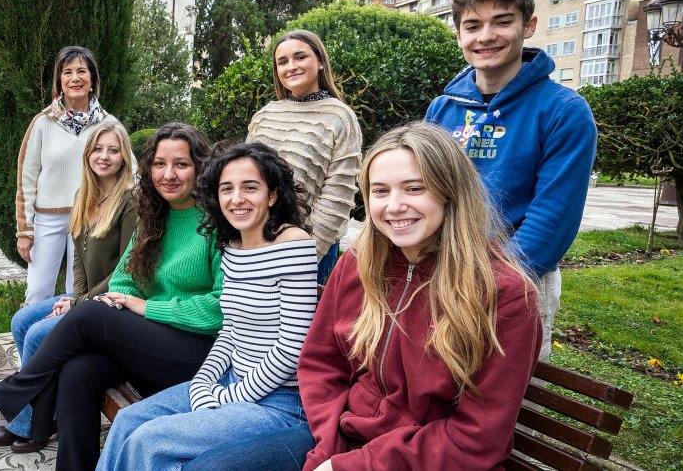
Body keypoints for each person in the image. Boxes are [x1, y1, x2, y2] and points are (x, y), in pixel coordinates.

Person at [184, 122, 542, 471]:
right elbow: (322, 363)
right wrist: (329, 442)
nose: (395, 206)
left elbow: (478, 439)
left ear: (450, 192)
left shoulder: (503, 295)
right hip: (340, 434)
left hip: (425, 458)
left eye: (414, 188)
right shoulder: (359, 265)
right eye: (380, 191)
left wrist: (351, 464)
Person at [0, 123, 223, 471]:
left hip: (198, 354)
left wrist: (146, 306)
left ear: (200, 166)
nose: (168, 174)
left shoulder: (217, 223)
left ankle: (7, 397)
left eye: (181, 164)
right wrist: (120, 299)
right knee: (77, 372)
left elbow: (221, 308)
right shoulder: (156, 216)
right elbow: (125, 276)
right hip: (152, 343)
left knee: (90, 316)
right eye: (159, 164)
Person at [97, 142, 317, 471]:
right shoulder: (233, 245)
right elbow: (230, 331)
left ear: (272, 195)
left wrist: (228, 397)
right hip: (229, 381)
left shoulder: (293, 244)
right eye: (226, 188)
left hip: (279, 402)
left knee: (150, 441)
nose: (236, 198)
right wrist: (203, 385)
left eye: (250, 187)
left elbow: (293, 346)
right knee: (129, 420)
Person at [424, 0, 596, 361]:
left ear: (528, 25)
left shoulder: (563, 111)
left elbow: (552, 217)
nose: (486, 36)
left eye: (502, 22)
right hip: (440, 268)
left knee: (507, 400)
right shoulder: (443, 107)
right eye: (473, 25)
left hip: (516, 277)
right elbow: (423, 188)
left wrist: (491, 282)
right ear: (459, 35)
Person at [0, 120, 138, 453]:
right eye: (98, 149)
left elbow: (127, 271)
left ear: (124, 156)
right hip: (87, 295)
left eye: (113, 150)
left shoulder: (130, 200)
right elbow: (79, 259)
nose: (105, 156)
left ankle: (28, 425)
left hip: (114, 302)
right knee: (22, 321)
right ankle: (42, 414)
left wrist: (80, 303)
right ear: (88, 153)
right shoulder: (85, 193)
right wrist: (76, 297)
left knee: (40, 333)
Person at [247, 29, 361, 285]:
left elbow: (338, 197)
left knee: (301, 325)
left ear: (320, 61)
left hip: (309, 249)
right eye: (283, 61)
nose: (292, 67)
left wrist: (305, 255)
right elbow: (242, 180)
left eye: (300, 57)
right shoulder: (265, 115)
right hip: (254, 242)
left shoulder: (340, 117)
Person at [16, 46, 120, 306]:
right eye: (68, 72)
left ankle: (69, 344)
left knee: (79, 292)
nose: (75, 78)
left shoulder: (109, 125)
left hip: (90, 217)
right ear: (60, 81)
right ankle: (30, 344)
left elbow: (129, 172)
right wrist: (24, 231)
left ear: (92, 79)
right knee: (38, 291)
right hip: (48, 220)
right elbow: (26, 178)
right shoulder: (42, 123)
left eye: (82, 71)